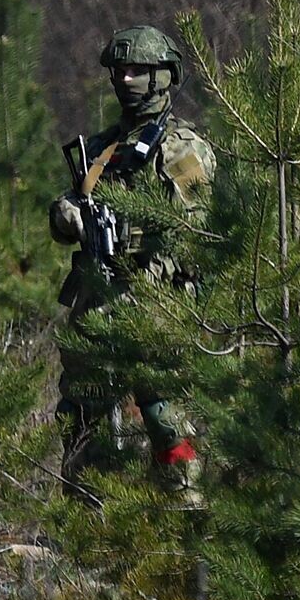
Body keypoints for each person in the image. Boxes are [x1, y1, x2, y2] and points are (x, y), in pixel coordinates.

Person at [49, 25, 215, 506]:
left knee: (166, 416)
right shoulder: (102, 149)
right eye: (120, 71)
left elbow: (197, 226)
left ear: (164, 77)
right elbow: (70, 209)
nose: (126, 79)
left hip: (156, 302)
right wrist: (66, 216)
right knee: (82, 416)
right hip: (97, 305)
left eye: (138, 70)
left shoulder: (182, 148)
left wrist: (130, 234)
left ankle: (183, 518)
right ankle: (88, 525)